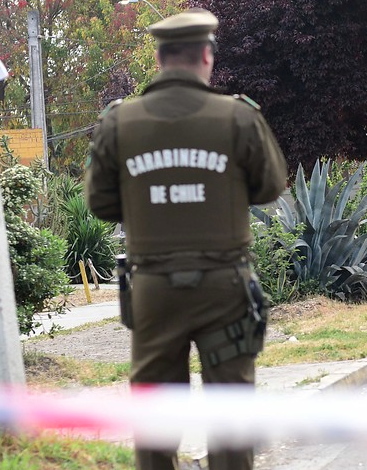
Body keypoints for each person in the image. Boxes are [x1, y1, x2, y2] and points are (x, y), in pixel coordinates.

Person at [85, 8, 287, 470]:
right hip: (224, 285)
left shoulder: (119, 122)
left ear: (159, 59)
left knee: (155, 417)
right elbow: (271, 186)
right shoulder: (237, 117)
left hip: (153, 289)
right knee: (231, 413)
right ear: (206, 56)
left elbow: (100, 204)